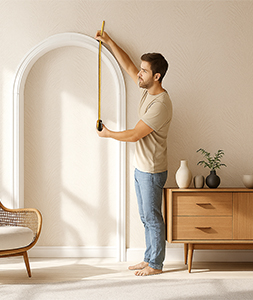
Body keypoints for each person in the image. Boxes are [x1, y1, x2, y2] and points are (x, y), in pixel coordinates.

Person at [95, 30, 172, 277]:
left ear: (156, 76)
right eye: (141, 69)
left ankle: (156, 265)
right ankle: (148, 258)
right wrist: (109, 41)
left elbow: (135, 134)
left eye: (144, 71)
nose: (139, 74)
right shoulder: (147, 90)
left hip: (152, 170)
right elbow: (128, 65)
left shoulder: (160, 104)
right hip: (142, 167)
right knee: (145, 217)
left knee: (153, 218)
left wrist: (108, 134)